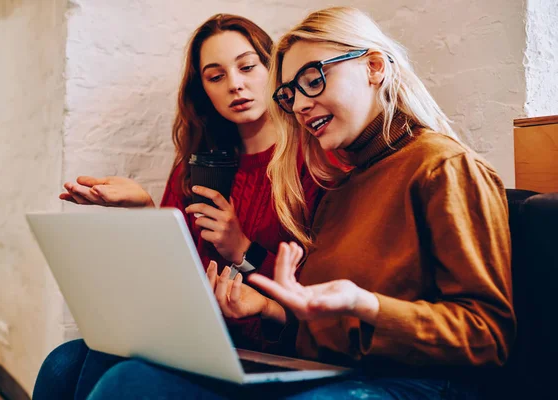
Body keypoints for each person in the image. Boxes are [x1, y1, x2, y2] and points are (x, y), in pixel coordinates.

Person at [83, 6, 516, 399]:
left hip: (405, 381)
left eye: (313, 79)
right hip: (334, 372)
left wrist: (365, 304)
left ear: (374, 67)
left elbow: (487, 337)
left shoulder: (442, 167)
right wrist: (270, 309)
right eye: (290, 93)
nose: (302, 104)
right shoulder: (343, 180)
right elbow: (320, 327)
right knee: (121, 379)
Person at [32, 14, 319, 400]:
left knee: (119, 375)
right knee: (61, 363)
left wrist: (242, 249)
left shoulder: (310, 162)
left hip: (270, 347)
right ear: (203, 91)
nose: (235, 84)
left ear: (273, 70)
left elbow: (316, 293)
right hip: (196, 338)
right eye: (215, 76)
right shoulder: (196, 165)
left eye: (248, 67)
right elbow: (175, 280)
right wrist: (146, 212)